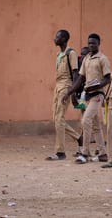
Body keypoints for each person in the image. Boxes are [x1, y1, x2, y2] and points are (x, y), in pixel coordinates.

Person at [64, 33, 110, 164]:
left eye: (93, 43)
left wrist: (97, 86)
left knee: (85, 120)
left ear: (99, 44)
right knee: (96, 126)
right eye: (89, 43)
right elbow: (80, 78)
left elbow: (108, 78)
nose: (91, 45)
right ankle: (103, 154)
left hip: (98, 95)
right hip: (88, 96)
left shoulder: (103, 59)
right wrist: (69, 92)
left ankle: (84, 153)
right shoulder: (87, 59)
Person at [46, 29, 83, 160]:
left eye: (57, 37)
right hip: (58, 86)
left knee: (59, 118)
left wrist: (71, 92)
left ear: (64, 39)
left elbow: (75, 73)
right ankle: (79, 138)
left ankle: (60, 151)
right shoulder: (59, 54)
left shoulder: (70, 53)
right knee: (56, 119)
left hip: (66, 86)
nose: (55, 39)